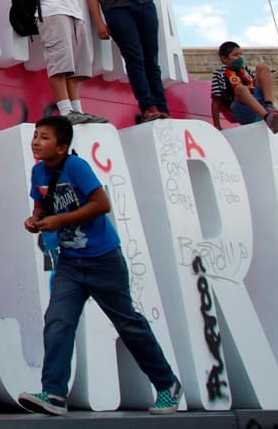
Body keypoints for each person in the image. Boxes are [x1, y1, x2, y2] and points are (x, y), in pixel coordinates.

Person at [18, 115, 181, 416]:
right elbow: (41, 206)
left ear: (62, 146)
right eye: (35, 136)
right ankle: (54, 394)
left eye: (44, 137)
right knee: (58, 321)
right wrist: (35, 220)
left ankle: (167, 384)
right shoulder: (38, 172)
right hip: (69, 263)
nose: (36, 142)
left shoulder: (76, 167)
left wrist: (61, 221)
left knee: (127, 323)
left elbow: (101, 204)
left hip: (103, 260)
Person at [210, 41, 278, 133]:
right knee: (241, 88)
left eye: (240, 54)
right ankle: (268, 117)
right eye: (235, 55)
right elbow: (216, 102)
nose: (240, 57)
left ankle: (269, 106)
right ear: (224, 59)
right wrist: (217, 126)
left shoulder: (245, 69)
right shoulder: (219, 74)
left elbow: (255, 85)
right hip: (240, 109)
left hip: (257, 102)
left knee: (262, 66)